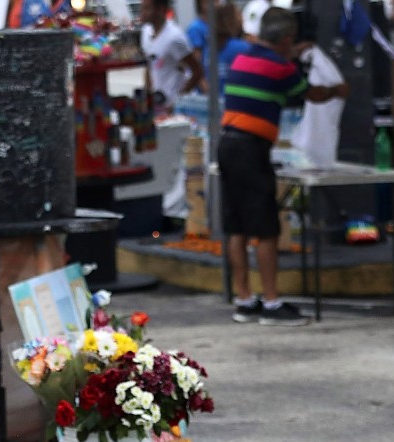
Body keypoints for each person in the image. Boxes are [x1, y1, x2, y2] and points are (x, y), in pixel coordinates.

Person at [221, 7, 348, 326]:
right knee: (266, 229)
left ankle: (244, 299)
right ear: (288, 38)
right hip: (251, 149)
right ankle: (273, 302)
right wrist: (337, 90)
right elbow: (311, 94)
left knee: (236, 226)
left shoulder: (242, 58)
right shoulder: (281, 68)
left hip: (227, 144)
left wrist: (292, 52)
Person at [140, 0, 204, 111]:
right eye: (142, 8)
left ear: (160, 9)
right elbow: (149, 66)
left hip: (175, 110)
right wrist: (146, 98)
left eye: (147, 8)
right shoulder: (145, 32)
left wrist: (178, 102)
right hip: (157, 106)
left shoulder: (174, 37)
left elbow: (197, 71)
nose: (142, 13)